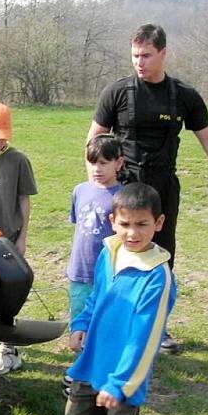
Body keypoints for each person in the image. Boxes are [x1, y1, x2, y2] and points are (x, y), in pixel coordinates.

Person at [87, 23, 208, 354]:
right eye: (134, 56)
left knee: (161, 257)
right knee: (119, 253)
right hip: (123, 189)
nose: (139, 62)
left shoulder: (183, 95)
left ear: (163, 54)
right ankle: (115, 324)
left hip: (162, 188)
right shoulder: (117, 92)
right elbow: (94, 138)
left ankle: (156, 328)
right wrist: (95, 183)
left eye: (146, 55)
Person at [54, 183, 176, 415]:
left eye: (142, 224)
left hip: (125, 378)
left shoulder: (157, 276)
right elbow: (95, 299)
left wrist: (121, 383)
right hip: (90, 363)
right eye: (125, 224)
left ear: (159, 223)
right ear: (113, 221)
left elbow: (146, 337)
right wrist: (81, 323)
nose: (132, 232)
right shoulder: (109, 253)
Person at [0, 103, 38, 376]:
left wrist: (23, 236)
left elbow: (24, 200)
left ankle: (9, 351)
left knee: (8, 293)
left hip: (9, 239)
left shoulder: (18, 160)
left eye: (2, 134)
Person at [62, 134, 124, 396]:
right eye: (92, 163)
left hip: (108, 275)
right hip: (79, 272)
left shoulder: (122, 197)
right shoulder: (80, 190)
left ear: (119, 163)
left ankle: (96, 373)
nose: (96, 169)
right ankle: (81, 371)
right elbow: (79, 226)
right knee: (80, 323)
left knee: (103, 324)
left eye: (103, 163)